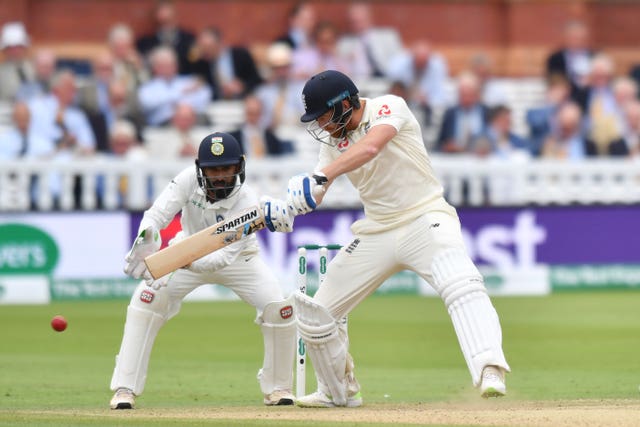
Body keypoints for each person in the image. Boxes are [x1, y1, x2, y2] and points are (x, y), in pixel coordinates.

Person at [260, 70, 510, 408]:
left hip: (426, 218)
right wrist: (287, 206)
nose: (321, 125)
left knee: (460, 283)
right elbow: (316, 192)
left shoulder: (390, 106)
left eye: (323, 116)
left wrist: (320, 175)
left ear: (345, 103)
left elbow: (371, 146)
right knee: (316, 314)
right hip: (377, 230)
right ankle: (338, 392)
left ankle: (489, 369)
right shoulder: (333, 144)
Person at [110, 132, 296, 409]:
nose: (219, 176)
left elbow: (222, 258)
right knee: (146, 300)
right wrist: (147, 237)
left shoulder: (247, 200)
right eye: (212, 169)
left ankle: (278, 388)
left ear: (239, 167)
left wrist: (180, 260)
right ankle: (125, 389)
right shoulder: (187, 179)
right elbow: (156, 214)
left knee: (279, 309)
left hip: (239, 260)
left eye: (226, 168)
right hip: (186, 247)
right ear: (200, 168)